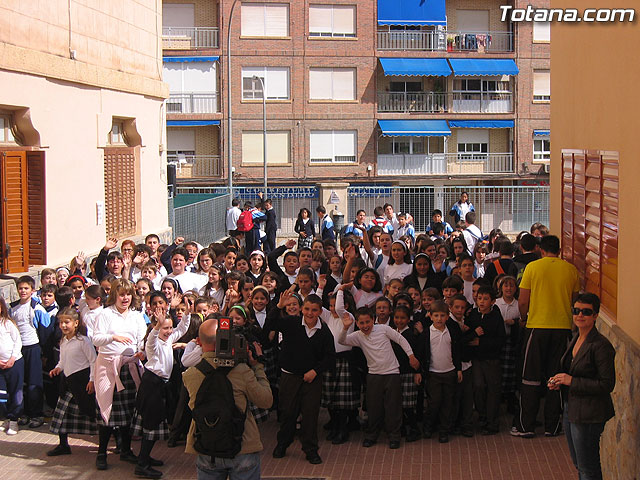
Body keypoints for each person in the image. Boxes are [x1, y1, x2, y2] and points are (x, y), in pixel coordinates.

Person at [183, 318, 273, 480]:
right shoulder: (241, 370)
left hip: (206, 445)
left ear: (198, 342)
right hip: (242, 445)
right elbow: (266, 400)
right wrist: (257, 366)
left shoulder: (190, 375)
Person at [512, 235, 580, 438]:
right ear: (559, 250)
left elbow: (523, 301)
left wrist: (524, 319)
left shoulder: (533, 268)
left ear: (541, 249)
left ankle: (526, 426)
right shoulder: (571, 270)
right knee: (556, 377)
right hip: (562, 328)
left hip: (536, 327)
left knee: (530, 378)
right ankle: (552, 426)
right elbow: (574, 300)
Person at [548, 293, 615, 480]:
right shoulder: (576, 337)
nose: (580, 315)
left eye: (586, 312)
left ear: (595, 316)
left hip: (589, 414)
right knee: (579, 464)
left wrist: (571, 381)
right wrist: (559, 382)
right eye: (576, 311)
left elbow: (606, 384)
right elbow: (572, 371)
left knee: (588, 468)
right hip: (572, 409)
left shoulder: (601, 345)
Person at [338, 306, 420, 449]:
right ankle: (372, 435)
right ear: (357, 323)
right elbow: (342, 341)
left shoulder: (383, 329)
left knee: (393, 406)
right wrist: (345, 327)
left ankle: (394, 436)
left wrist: (411, 356)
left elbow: (400, 339)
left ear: (373, 320)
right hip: (374, 375)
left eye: (368, 322)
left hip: (392, 373)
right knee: (374, 407)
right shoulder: (357, 336)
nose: (365, 326)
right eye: (361, 323)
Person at [270, 292, 335, 465]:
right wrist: (278, 306)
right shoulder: (291, 323)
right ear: (301, 308)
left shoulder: (324, 332)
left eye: (314, 310)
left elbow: (330, 357)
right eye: (306, 309)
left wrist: (315, 371)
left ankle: (310, 449)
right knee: (288, 413)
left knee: (310, 415)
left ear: (320, 311)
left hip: (312, 379)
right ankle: (283, 444)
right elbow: (270, 324)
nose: (309, 313)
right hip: (290, 377)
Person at [131, 293, 190, 479]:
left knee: (156, 424)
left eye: (170, 328)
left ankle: (146, 457)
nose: (169, 331)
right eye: (166, 328)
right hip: (151, 385)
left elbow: (182, 328)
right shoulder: (153, 344)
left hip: (161, 386)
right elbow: (153, 337)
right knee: (150, 424)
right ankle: (141, 464)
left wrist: (187, 312)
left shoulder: (169, 340)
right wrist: (158, 325)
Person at [92, 279, 147, 471]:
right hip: (108, 367)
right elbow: (96, 339)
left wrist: (141, 352)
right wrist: (113, 337)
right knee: (107, 410)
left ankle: (125, 450)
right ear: (114, 295)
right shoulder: (105, 314)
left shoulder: (137, 316)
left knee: (127, 411)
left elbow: (142, 341)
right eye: (121, 294)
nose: (125, 298)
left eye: (128, 294)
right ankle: (101, 453)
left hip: (128, 368)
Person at [47, 307, 97, 456]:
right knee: (61, 415)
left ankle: (116, 440)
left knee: (92, 414)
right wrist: (57, 368)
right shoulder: (63, 341)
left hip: (83, 382)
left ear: (76, 323)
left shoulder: (84, 341)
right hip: (68, 382)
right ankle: (63, 445)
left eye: (66, 322)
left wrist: (92, 380)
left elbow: (93, 361)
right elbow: (63, 360)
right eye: (61, 323)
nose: (63, 326)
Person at [9, 275, 52, 429]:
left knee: (34, 382)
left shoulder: (37, 308)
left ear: (32, 290)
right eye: (20, 288)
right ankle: (24, 413)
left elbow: (46, 331)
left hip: (33, 348)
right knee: (21, 382)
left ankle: (36, 414)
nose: (23, 291)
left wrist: (44, 353)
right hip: (18, 349)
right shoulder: (12, 308)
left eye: (26, 288)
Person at [463, 285, 506, 435]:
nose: (482, 302)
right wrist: (473, 336)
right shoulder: (472, 314)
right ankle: (482, 416)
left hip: (491, 359)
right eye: (479, 298)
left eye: (486, 299)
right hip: (476, 358)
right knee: (478, 386)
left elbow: (500, 340)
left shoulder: (496, 317)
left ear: (493, 301)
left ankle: (492, 422)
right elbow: (466, 335)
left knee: (493, 389)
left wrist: (481, 342)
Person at [422, 300, 462, 443]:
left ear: (447, 316)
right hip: (433, 373)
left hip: (449, 372)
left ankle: (444, 430)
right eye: (436, 316)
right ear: (431, 316)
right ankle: (428, 426)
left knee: (448, 403)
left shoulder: (451, 331)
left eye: (442, 316)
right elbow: (423, 354)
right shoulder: (427, 333)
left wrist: (458, 369)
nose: (439, 319)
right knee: (434, 402)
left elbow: (456, 351)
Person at [0, 297, 24, 436]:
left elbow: (17, 342)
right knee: (2, 393)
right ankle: (6, 417)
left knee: (16, 391)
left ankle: (14, 419)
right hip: (0, 365)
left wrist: (12, 358)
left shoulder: (7, 324)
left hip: (14, 363)